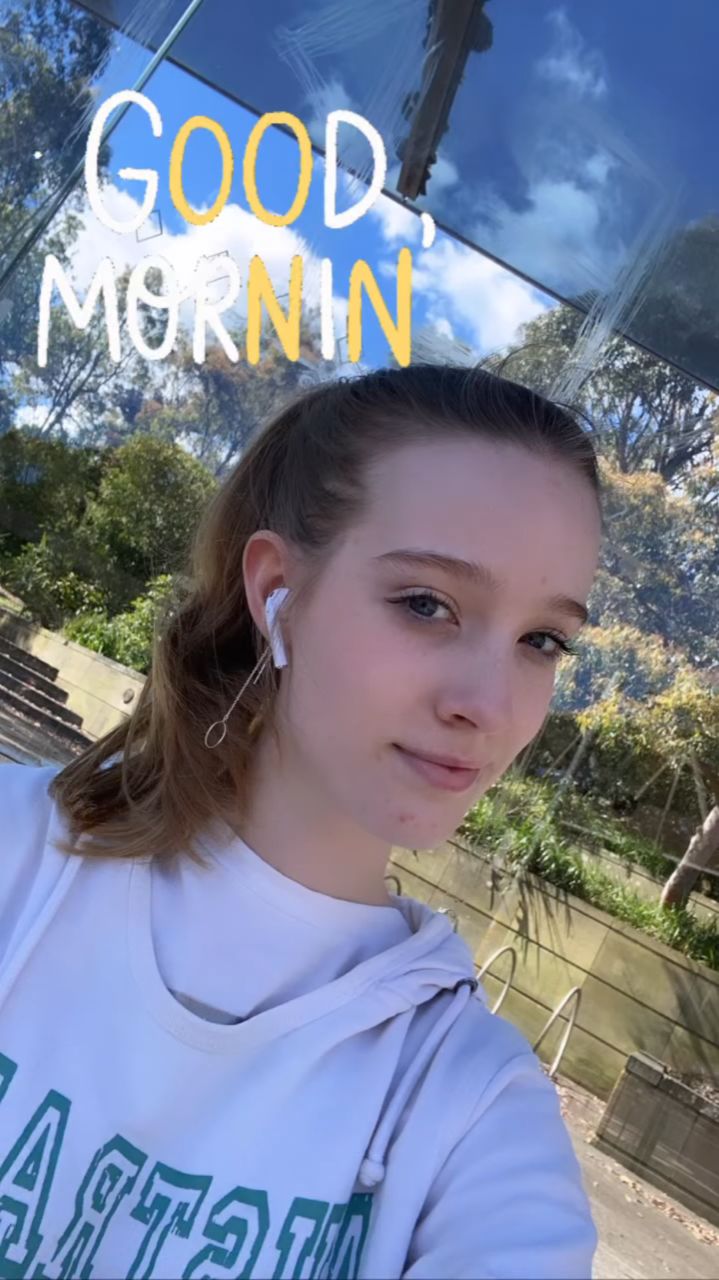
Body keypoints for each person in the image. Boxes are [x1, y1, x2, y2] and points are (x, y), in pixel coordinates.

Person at [0, 364, 601, 1279]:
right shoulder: (21, 857)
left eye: (540, 641)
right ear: (278, 588)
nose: (487, 704)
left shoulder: (470, 1111)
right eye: (427, 605)